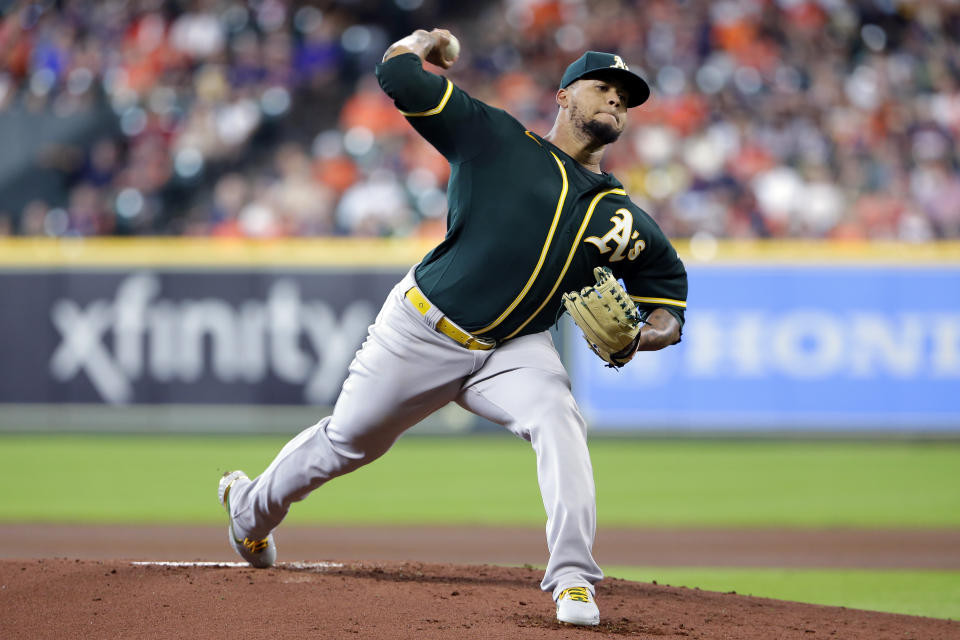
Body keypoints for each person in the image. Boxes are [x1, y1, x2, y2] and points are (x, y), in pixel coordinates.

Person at [217, 28, 688, 627]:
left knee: (558, 418)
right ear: (564, 95)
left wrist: (652, 331)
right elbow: (398, 76)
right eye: (605, 87)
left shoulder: (622, 217)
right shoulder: (496, 139)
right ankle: (249, 511)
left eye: (627, 95)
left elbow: (668, 290)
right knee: (348, 442)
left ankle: (573, 580)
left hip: (514, 349)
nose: (618, 100)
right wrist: (422, 41)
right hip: (423, 329)